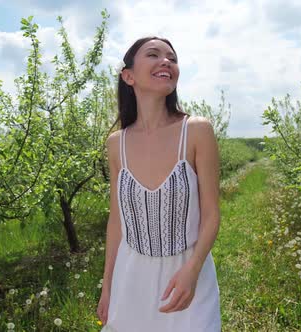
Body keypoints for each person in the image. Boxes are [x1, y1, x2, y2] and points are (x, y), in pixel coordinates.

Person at [97, 36, 221, 331]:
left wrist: (192, 272)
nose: (166, 61)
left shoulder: (196, 131)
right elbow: (117, 222)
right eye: (153, 54)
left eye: (172, 58)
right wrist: (108, 286)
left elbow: (212, 215)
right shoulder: (117, 144)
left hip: (187, 277)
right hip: (131, 279)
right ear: (128, 76)